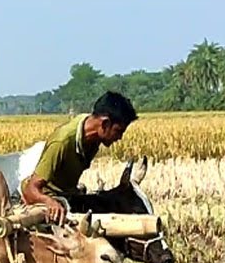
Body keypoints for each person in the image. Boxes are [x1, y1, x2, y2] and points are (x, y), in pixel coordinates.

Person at [20, 90, 138, 224]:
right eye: (118, 131)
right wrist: (49, 202)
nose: (119, 138)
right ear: (105, 124)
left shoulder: (93, 137)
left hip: (69, 195)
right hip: (50, 197)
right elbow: (31, 189)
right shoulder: (62, 142)